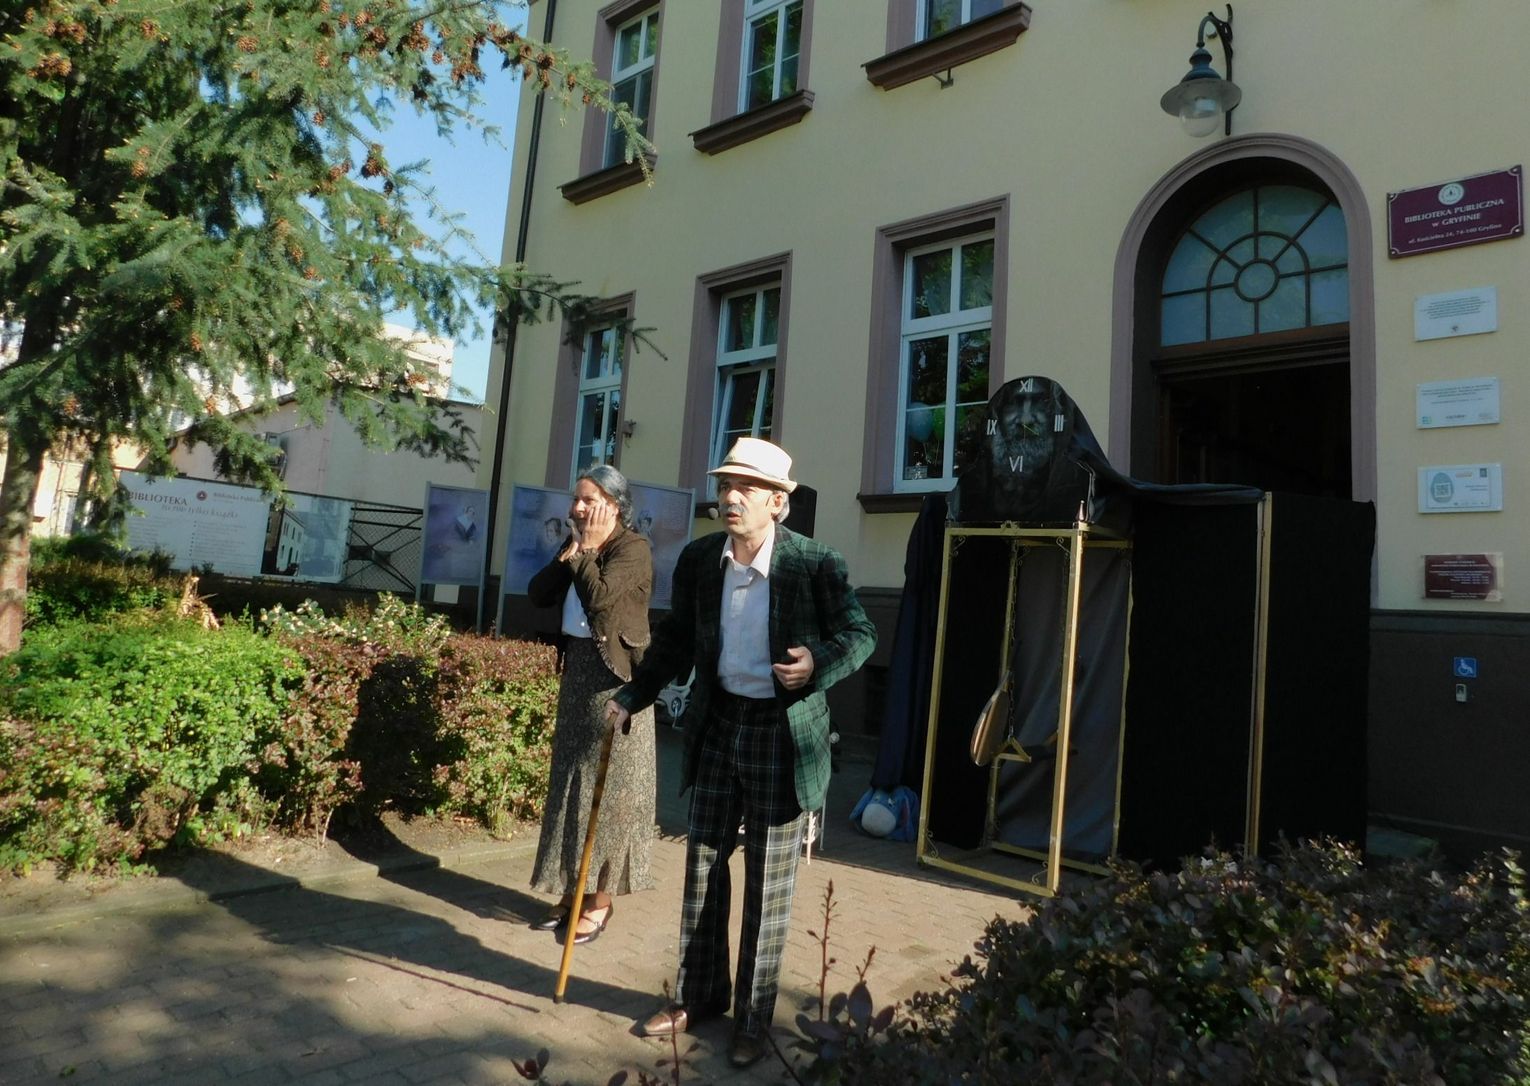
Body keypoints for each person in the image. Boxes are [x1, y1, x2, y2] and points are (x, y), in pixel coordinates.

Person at [605, 437, 876, 1068]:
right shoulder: (702, 560)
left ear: (778, 502)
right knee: (702, 864)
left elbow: (860, 634)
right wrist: (633, 696)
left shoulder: (815, 564)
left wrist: (817, 664)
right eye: (726, 485)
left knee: (769, 881)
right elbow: (675, 639)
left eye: (746, 488)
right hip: (719, 722)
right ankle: (699, 997)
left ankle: (754, 1018)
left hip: (781, 733)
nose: (730, 497)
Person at [526, 464, 656, 945]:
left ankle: (599, 902)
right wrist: (572, 553)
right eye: (576, 499)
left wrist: (586, 552)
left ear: (614, 507)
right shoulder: (576, 543)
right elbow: (538, 595)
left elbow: (600, 601)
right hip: (577, 671)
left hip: (615, 680)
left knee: (611, 794)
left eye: (588, 501)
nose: (577, 508)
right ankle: (569, 891)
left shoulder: (633, 549)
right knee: (570, 785)